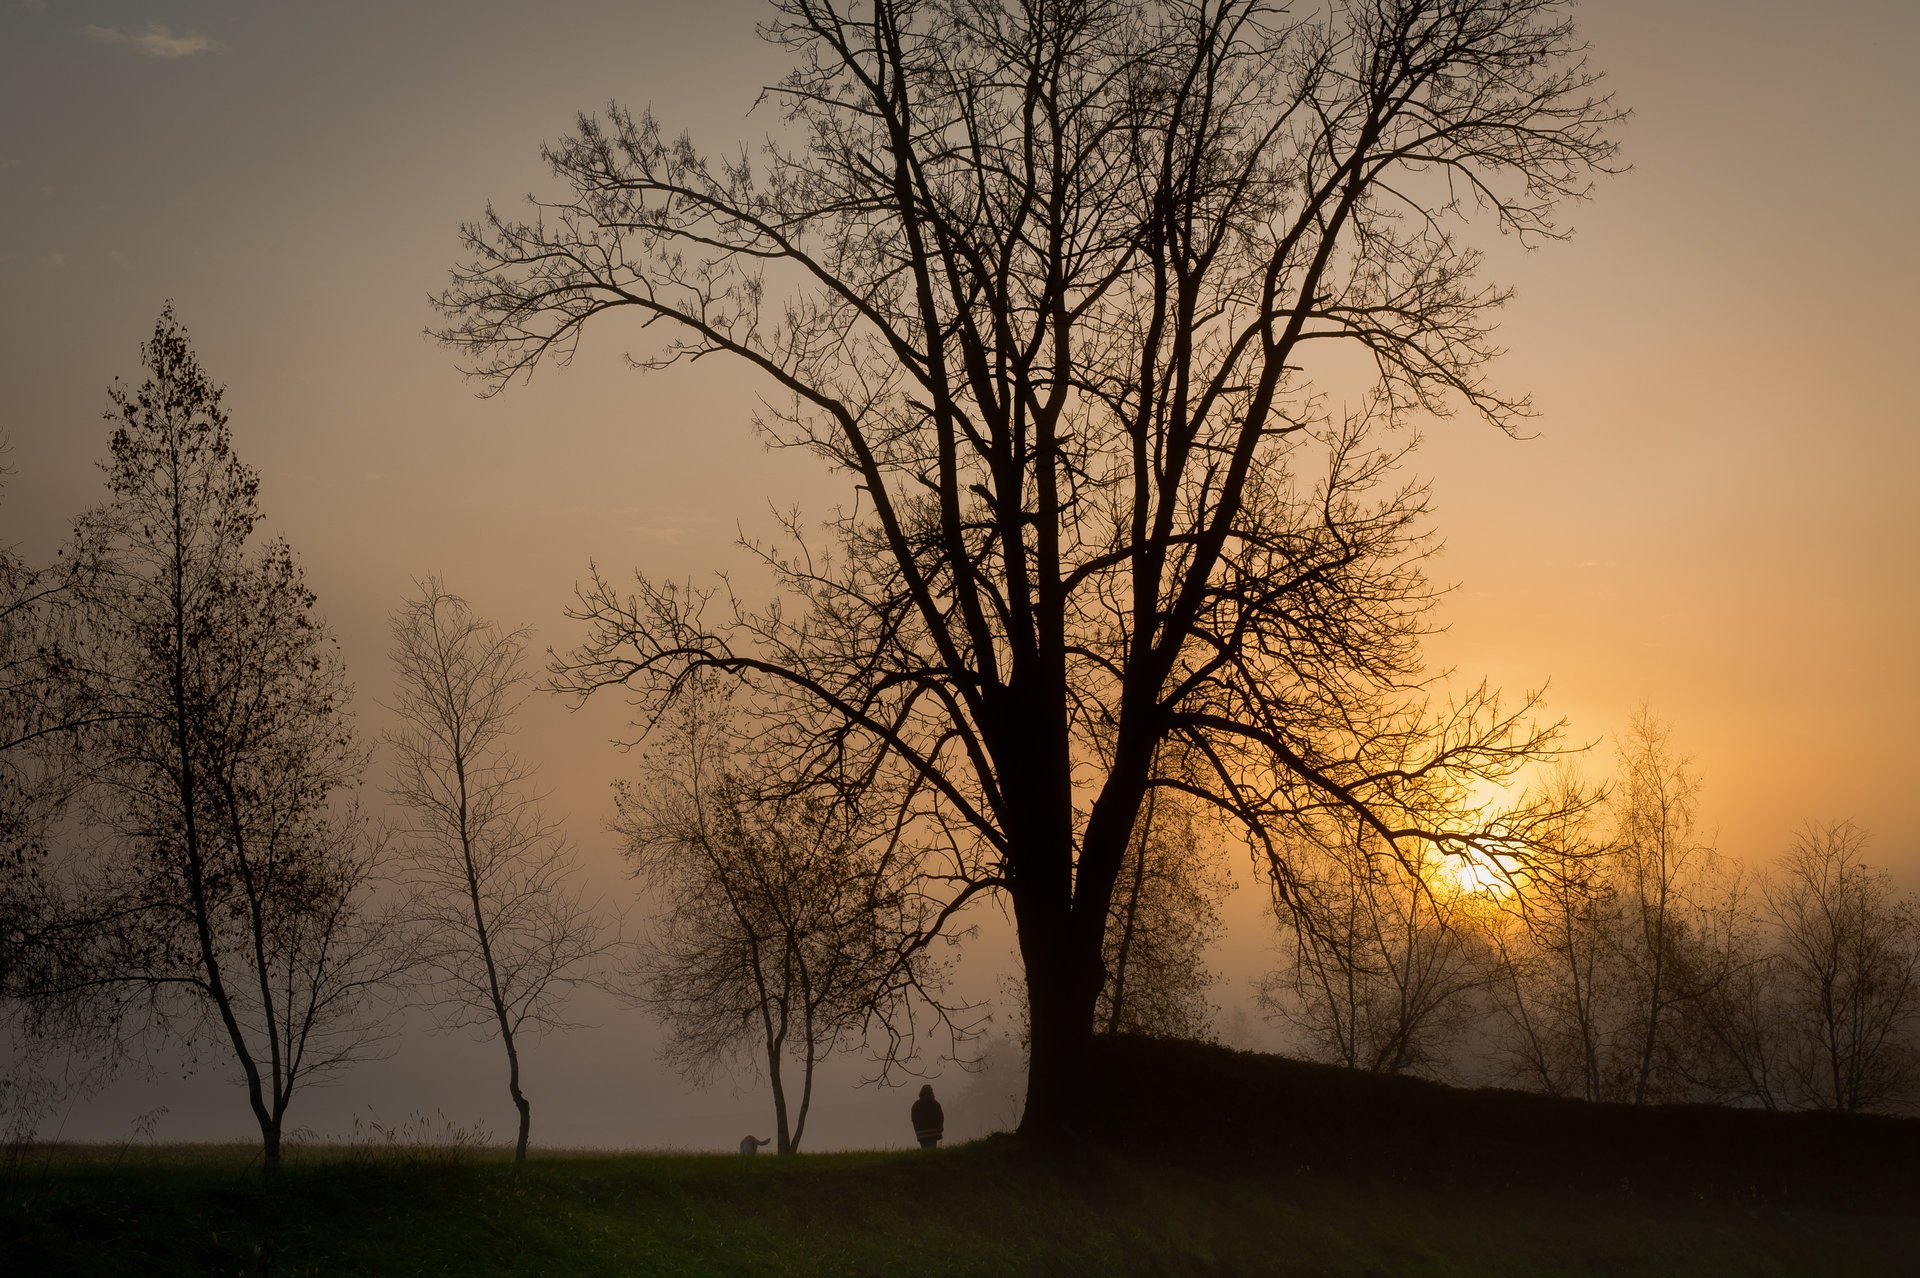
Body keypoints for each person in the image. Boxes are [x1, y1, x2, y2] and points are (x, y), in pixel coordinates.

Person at [910, 1084, 944, 1149]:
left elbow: (913, 1119)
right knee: (932, 1150)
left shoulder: (916, 1105)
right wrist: (940, 1126)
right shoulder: (935, 1104)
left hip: (921, 1133)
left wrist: (917, 1129)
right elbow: (940, 1117)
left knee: (925, 1150)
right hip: (933, 1133)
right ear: (931, 1092)